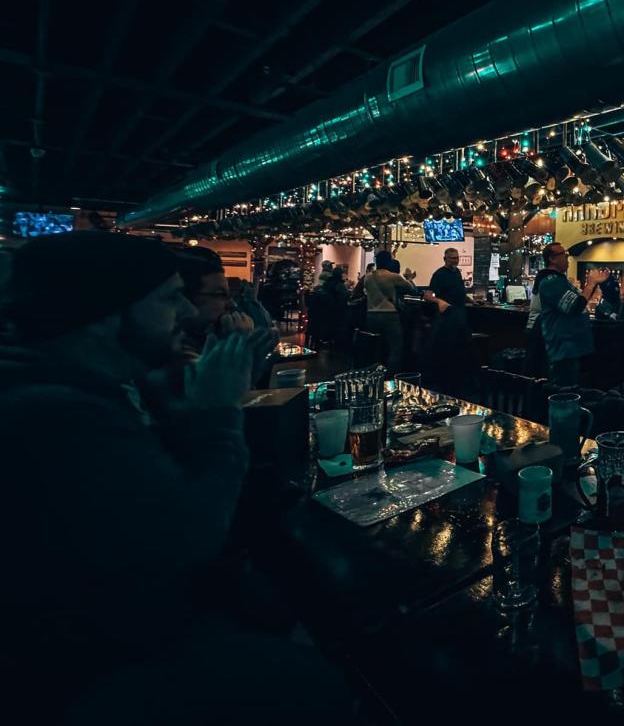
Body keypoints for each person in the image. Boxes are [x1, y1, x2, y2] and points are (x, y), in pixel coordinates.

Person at [0, 232, 348, 722]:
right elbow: (195, 536)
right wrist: (219, 410)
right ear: (106, 313)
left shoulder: (71, 384)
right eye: (168, 300)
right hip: (88, 667)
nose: (186, 314)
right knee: (325, 686)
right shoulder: (56, 416)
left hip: (112, 628)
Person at [539, 242, 607, 387]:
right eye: (564, 255)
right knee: (564, 393)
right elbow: (575, 306)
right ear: (552, 259)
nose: (567, 258)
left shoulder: (561, 281)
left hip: (572, 349)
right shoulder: (550, 282)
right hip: (563, 350)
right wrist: (591, 283)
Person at [425, 247, 471, 392]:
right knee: (447, 350)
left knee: (459, 350)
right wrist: (439, 302)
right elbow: (428, 295)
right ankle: (446, 384)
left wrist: (470, 299)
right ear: (445, 259)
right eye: (452, 258)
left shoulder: (457, 272)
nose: (455, 261)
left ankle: (458, 382)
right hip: (447, 318)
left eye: (456, 258)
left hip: (460, 316)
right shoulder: (439, 274)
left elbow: (459, 292)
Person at [362, 250, 415, 373]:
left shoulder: (368, 278)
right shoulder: (392, 276)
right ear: (389, 262)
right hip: (389, 314)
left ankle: (373, 373)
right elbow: (412, 289)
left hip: (371, 314)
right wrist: (409, 278)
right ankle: (391, 376)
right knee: (395, 347)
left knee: (375, 346)